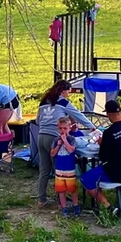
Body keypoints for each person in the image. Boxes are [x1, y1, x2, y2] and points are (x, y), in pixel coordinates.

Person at [34, 79, 96, 207]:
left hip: (41, 136)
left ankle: (41, 199)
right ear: (63, 91)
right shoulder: (63, 102)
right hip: (55, 138)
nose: (69, 94)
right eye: (68, 91)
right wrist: (91, 126)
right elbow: (77, 115)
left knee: (44, 169)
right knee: (59, 169)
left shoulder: (43, 102)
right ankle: (60, 199)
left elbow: (37, 120)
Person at [51, 117, 82, 216]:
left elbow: (71, 150)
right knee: (61, 190)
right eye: (60, 128)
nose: (62, 131)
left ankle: (76, 205)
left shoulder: (72, 139)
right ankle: (64, 207)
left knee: (73, 189)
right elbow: (52, 154)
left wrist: (65, 141)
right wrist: (58, 145)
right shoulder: (56, 140)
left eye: (65, 128)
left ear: (69, 128)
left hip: (70, 170)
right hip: (59, 170)